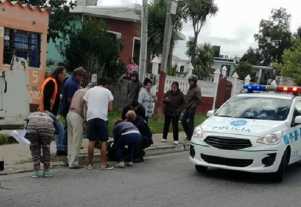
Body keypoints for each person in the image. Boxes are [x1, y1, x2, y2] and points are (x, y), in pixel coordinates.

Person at [83, 77, 114, 170]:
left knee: (91, 141)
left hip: (91, 117)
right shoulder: (107, 92)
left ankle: (90, 164)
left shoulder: (89, 91)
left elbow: (85, 102)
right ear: (106, 85)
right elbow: (110, 109)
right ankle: (103, 164)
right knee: (103, 141)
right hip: (102, 117)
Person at [39, 66, 66, 156]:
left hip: (48, 111)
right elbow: (46, 97)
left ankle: (57, 149)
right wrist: (48, 112)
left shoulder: (53, 82)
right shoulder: (51, 82)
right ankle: (60, 149)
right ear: (59, 74)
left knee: (55, 130)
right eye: (63, 74)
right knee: (60, 129)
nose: (64, 76)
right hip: (47, 112)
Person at [25, 112, 55, 178]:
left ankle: (37, 172)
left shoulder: (31, 115)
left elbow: (26, 127)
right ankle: (46, 171)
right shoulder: (48, 116)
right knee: (46, 149)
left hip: (32, 127)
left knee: (35, 149)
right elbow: (54, 126)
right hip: (47, 126)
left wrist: (31, 143)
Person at [66, 86, 88, 169]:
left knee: (70, 139)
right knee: (77, 140)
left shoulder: (78, 91)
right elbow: (85, 107)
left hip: (69, 114)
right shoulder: (87, 93)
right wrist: (85, 120)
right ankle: (74, 162)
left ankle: (69, 160)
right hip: (77, 116)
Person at [181, 75, 202, 141]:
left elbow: (199, 100)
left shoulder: (197, 89)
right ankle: (189, 135)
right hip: (187, 108)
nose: (190, 82)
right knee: (183, 121)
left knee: (190, 123)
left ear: (195, 81)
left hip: (192, 109)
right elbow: (188, 97)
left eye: (191, 81)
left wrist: (193, 106)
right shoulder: (190, 88)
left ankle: (190, 137)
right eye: (189, 81)